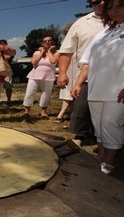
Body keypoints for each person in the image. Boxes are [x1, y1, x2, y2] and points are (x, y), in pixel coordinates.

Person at [71, 0, 124, 174]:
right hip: (96, 87)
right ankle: (101, 156)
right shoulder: (104, 32)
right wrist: (78, 83)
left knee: (111, 123)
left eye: (119, 6)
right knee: (99, 125)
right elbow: (87, 62)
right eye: (110, 8)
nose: (114, 11)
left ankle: (110, 161)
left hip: (117, 88)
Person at [56, 0, 105, 145]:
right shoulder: (81, 23)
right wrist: (63, 73)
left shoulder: (118, 21)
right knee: (82, 108)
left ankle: (106, 139)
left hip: (115, 77)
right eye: (95, 1)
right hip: (86, 76)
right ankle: (80, 136)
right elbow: (66, 51)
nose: (100, 3)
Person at [21, 35, 59, 119]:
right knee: (30, 92)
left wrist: (48, 51)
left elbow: (53, 61)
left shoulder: (56, 53)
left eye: (49, 40)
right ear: (42, 43)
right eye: (45, 41)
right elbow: (34, 62)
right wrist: (42, 52)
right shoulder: (36, 53)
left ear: (53, 42)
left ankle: (43, 112)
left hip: (48, 76)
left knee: (46, 94)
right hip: (35, 75)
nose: (47, 42)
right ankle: (26, 111)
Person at [55, 22, 76, 129]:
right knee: (68, 94)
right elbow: (55, 58)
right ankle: (67, 116)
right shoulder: (65, 42)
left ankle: (64, 116)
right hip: (69, 70)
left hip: (78, 69)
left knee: (75, 95)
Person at [0, 39, 16, 105]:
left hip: (7, 70)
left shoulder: (9, 51)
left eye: (3, 44)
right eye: (0, 44)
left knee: (8, 86)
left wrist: (1, 53)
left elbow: (8, 57)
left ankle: (9, 100)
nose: (1, 46)